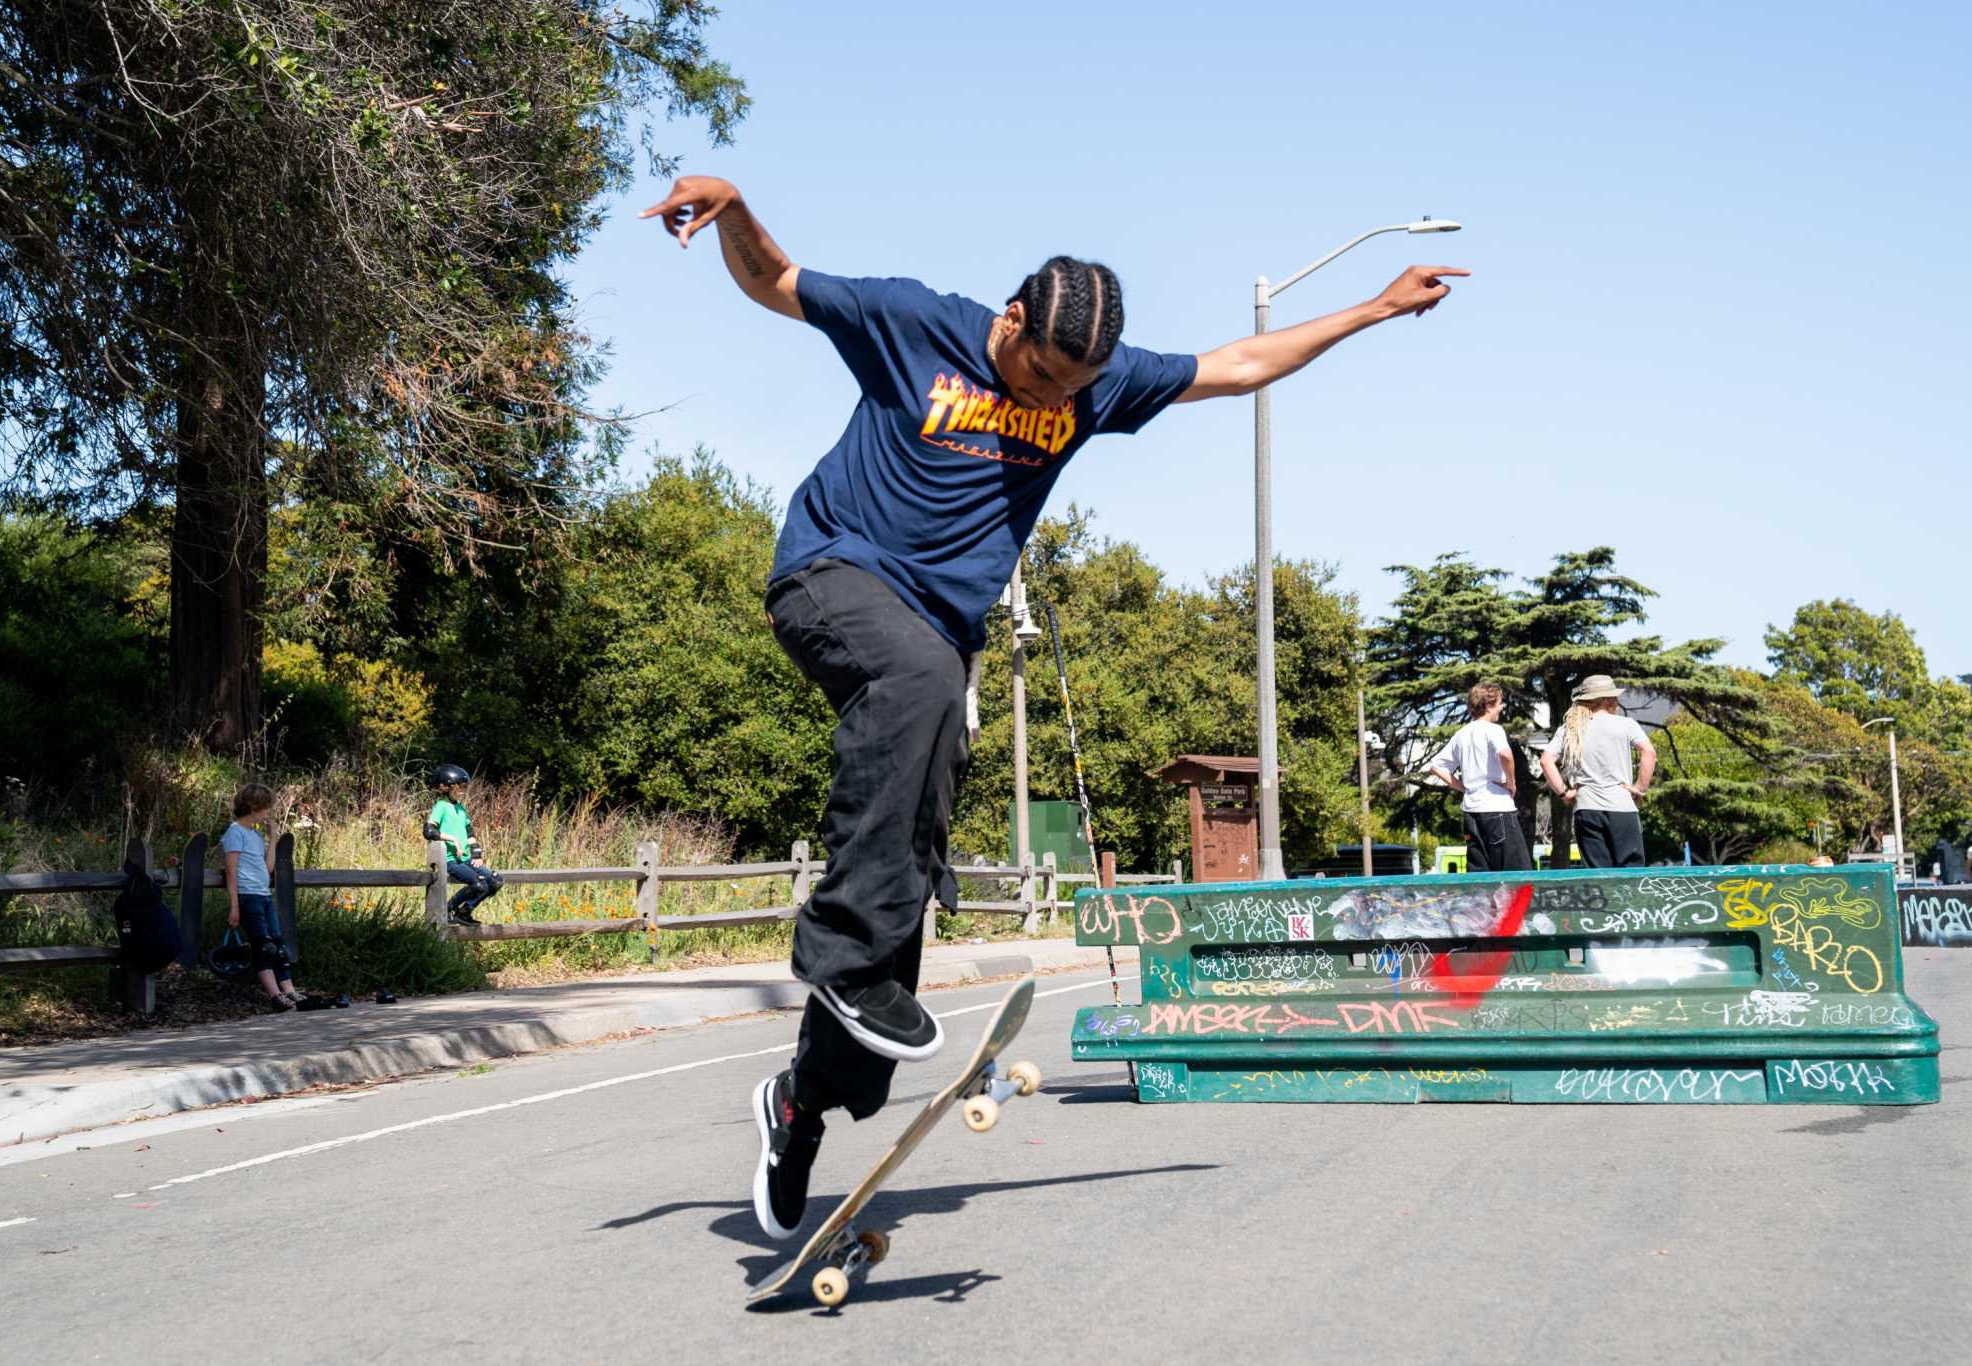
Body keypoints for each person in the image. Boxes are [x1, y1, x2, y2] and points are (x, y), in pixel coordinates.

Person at [638, 173, 1468, 1241]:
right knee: (921, 691)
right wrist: (736, 212)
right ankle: (840, 954)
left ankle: (802, 1099)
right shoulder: (909, 321)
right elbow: (777, 283)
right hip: (832, 577)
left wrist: (1372, 308)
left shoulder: (1092, 383)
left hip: (934, 641)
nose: (1045, 402)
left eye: (1066, 391)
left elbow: (1238, 364)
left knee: (917, 843)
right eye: (1036, 374)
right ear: (1011, 316)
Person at [1540, 676, 1657, 868]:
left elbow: (1546, 760)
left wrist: (1564, 793)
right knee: (1631, 872)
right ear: (1607, 700)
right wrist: (1639, 788)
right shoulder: (1626, 724)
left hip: (1586, 807)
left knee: (1598, 873)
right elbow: (1649, 752)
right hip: (1621, 806)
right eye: (1615, 697)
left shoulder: (1570, 728)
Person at [1429, 682, 1531, 872]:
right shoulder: (1494, 730)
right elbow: (1505, 754)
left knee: (1481, 875)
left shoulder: (1462, 734)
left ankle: (1485, 904)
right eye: (1500, 703)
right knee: (1518, 875)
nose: (1502, 707)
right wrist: (1511, 782)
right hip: (1498, 809)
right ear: (1488, 705)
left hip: (1471, 813)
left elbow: (1436, 767)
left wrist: (1464, 788)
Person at [221, 783, 301, 1010]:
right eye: (266, 808)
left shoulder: (255, 835)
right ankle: (275, 996)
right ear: (253, 807)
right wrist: (234, 906)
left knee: (279, 945)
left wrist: (273, 838)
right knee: (264, 946)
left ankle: (290, 991)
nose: (268, 813)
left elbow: (267, 868)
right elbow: (231, 871)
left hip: (264, 895)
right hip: (247, 897)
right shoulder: (234, 833)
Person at [426, 764, 503, 927]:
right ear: (446, 787)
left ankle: (464, 912)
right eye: (458, 786)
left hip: (465, 859)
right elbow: (428, 830)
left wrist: (476, 854)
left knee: (495, 881)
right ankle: (447, 910)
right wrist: (452, 839)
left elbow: (469, 834)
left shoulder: (461, 808)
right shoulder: (441, 806)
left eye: (463, 786)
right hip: (450, 859)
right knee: (479, 885)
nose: (462, 790)